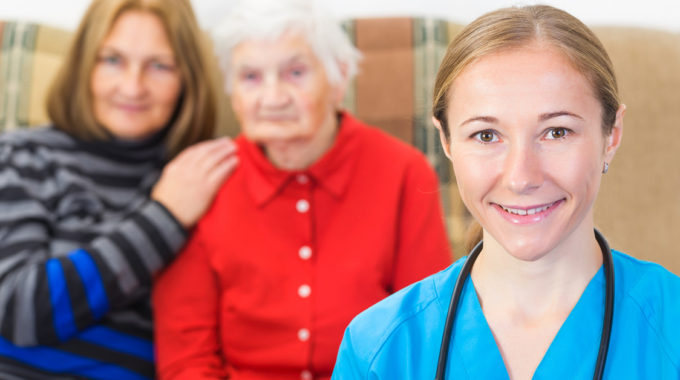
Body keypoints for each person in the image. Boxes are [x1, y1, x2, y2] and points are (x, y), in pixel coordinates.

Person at [331, 5, 680, 380]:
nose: (520, 177)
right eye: (486, 135)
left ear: (611, 136)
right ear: (446, 140)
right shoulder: (379, 350)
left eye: (557, 132)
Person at [152, 0, 452, 379]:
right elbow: (186, 359)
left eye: (295, 72)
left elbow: (424, 332)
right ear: (232, 91)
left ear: (339, 77)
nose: (273, 98)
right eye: (251, 77)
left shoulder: (404, 173)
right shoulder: (199, 180)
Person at [0, 0, 238, 378]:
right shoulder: (23, 156)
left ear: (187, 79)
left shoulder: (202, 177)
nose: (132, 86)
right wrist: (164, 218)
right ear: (84, 65)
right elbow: (16, 311)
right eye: (112, 60)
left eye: (159, 66)